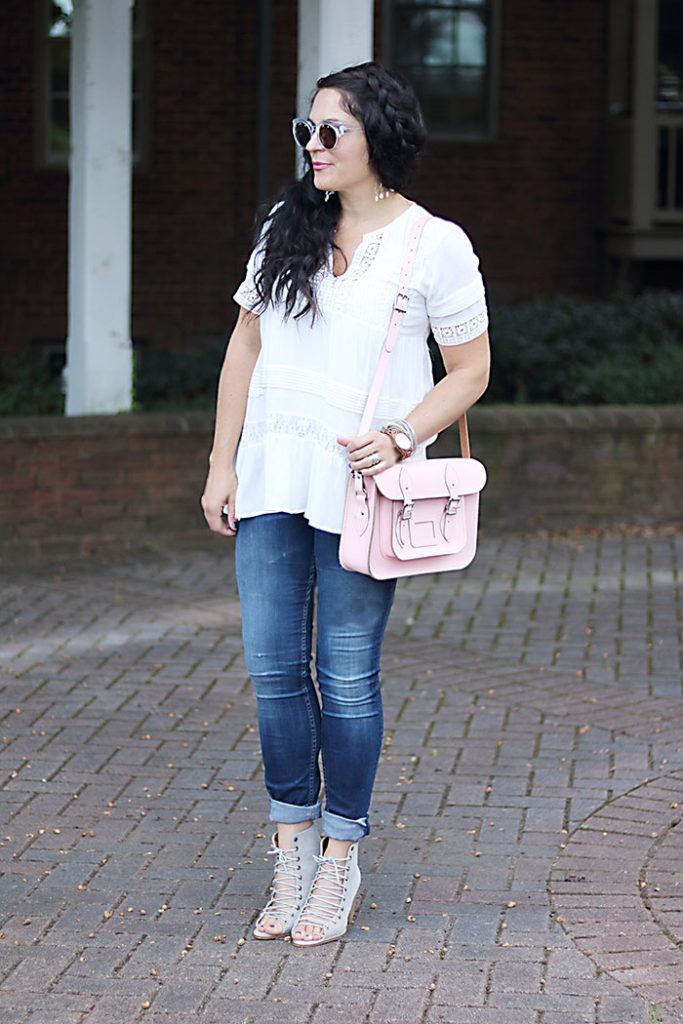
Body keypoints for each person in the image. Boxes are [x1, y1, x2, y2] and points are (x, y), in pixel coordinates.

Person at [201, 61, 490, 948]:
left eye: (333, 131)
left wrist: (403, 434)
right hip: (271, 480)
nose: (314, 146)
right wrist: (221, 466)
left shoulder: (433, 244)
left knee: (349, 676)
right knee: (273, 672)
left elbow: (471, 370)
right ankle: (289, 847)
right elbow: (243, 350)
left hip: (363, 491)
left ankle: (340, 855)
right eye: (307, 130)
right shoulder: (286, 228)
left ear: (381, 138)